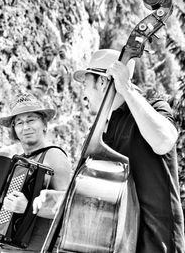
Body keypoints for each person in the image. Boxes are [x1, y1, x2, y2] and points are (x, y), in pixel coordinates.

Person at [73, 49, 185, 252]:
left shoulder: (153, 106)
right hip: (118, 244)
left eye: (85, 84)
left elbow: (164, 141)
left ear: (103, 82)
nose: (83, 93)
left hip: (157, 242)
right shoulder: (104, 130)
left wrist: (126, 89)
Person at [0, 92, 71, 252]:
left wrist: (28, 207)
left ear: (44, 124)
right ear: (14, 130)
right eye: (19, 123)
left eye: (31, 120)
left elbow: (68, 209)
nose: (26, 127)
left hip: (39, 248)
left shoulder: (53, 155)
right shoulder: (20, 161)